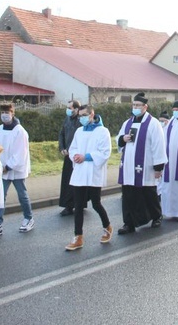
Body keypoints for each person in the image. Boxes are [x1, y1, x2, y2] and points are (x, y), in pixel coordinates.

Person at [117, 93, 167, 234]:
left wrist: (158, 167)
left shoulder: (153, 124)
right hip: (128, 165)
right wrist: (122, 139)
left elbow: (158, 146)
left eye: (138, 105)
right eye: (133, 105)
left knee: (148, 193)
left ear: (145, 107)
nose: (135, 108)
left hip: (145, 166)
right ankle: (129, 223)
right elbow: (118, 140)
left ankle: (156, 216)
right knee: (127, 195)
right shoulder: (127, 123)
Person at [65, 105, 113, 251]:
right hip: (80, 172)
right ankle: (78, 237)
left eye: (84, 115)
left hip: (93, 171)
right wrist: (75, 156)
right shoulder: (79, 131)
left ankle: (107, 226)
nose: (82, 118)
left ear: (92, 115)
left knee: (96, 203)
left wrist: (85, 157)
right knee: (78, 205)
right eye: (80, 116)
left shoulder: (103, 131)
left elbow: (105, 152)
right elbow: (73, 148)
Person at [0, 102, 34, 236]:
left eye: (7, 113)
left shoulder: (19, 131)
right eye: (2, 113)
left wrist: (9, 166)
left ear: (12, 113)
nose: (4, 115)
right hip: (2, 168)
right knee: (0, 196)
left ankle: (28, 218)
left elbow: (20, 152)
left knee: (22, 195)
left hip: (16, 169)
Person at [58, 100, 81, 217]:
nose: (68, 110)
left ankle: (78, 204)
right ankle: (68, 205)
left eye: (70, 108)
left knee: (77, 181)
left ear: (77, 109)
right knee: (67, 181)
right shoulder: (67, 119)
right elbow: (61, 134)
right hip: (68, 155)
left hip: (77, 155)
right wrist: (62, 147)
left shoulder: (81, 120)